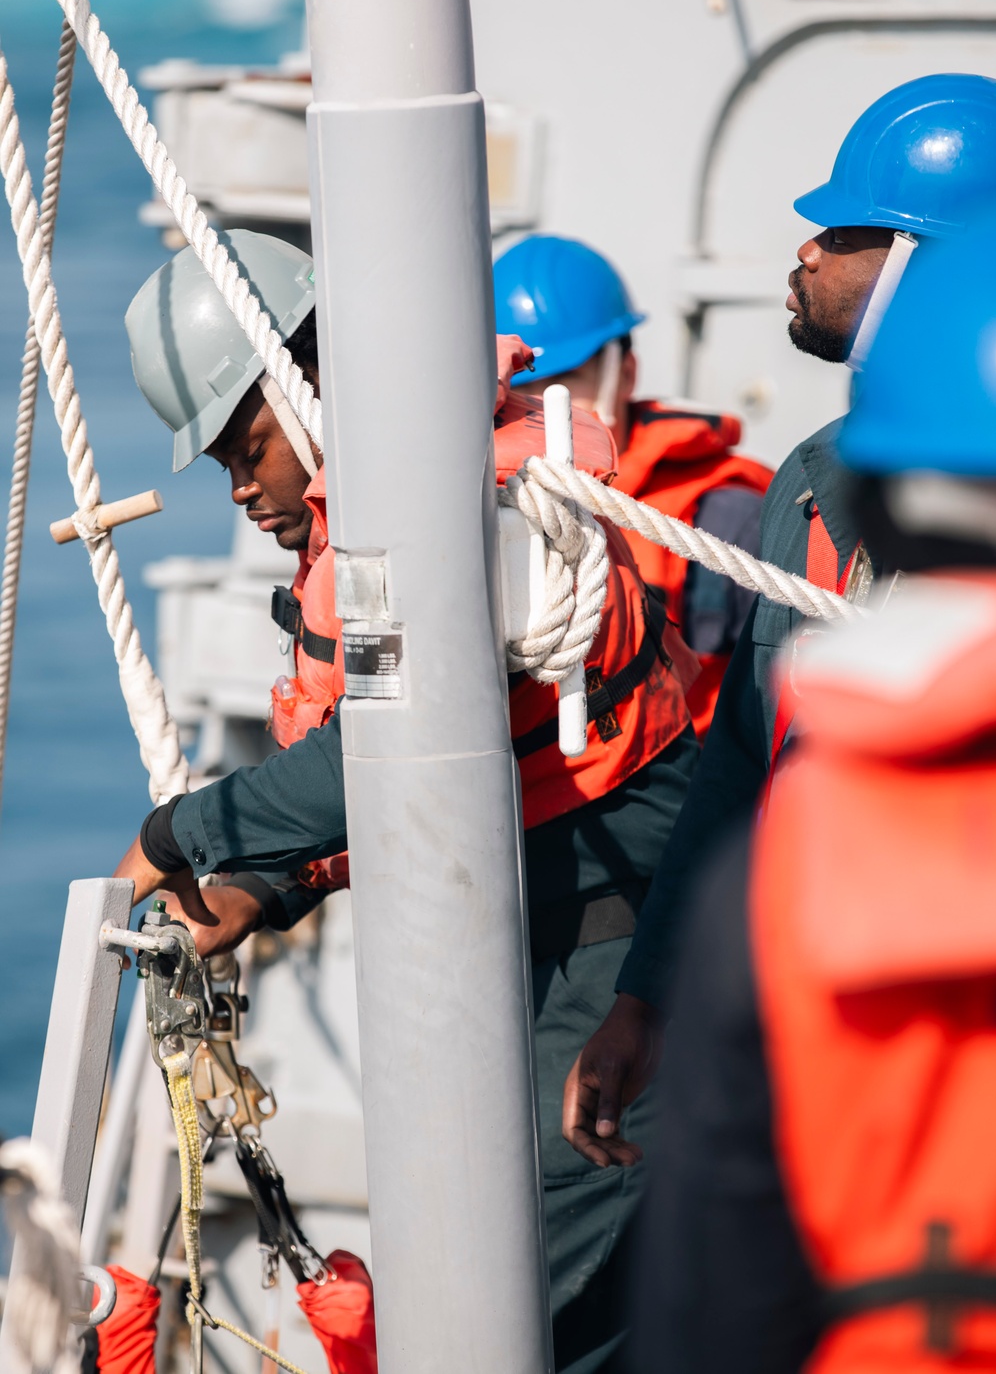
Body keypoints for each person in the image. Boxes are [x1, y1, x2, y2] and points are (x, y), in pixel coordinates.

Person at [119, 228, 702, 1373]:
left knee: (532, 1274)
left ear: (315, 385)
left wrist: (177, 835)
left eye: (248, 449)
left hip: (617, 934)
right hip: (543, 927)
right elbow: (391, 765)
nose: (242, 489)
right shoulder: (395, 494)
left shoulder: (428, 520)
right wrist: (258, 889)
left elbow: (375, 752)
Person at [561, 71, 996, 1172]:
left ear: (929, 269)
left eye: (846, 232)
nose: (803, 252)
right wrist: (643, 1004)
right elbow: (738, 769)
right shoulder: (806, 484)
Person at [634, 213, 996, 1374]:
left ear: (883, 498)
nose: (798, 252)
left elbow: (716, 1292)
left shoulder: (796, 874)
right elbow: (741, 748)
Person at [494, 233, 773, 739]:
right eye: (521, 388)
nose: (537, 409)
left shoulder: (726, 517)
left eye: (562, 384)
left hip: (672, 795)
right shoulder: (474, 510)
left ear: (625, 375)